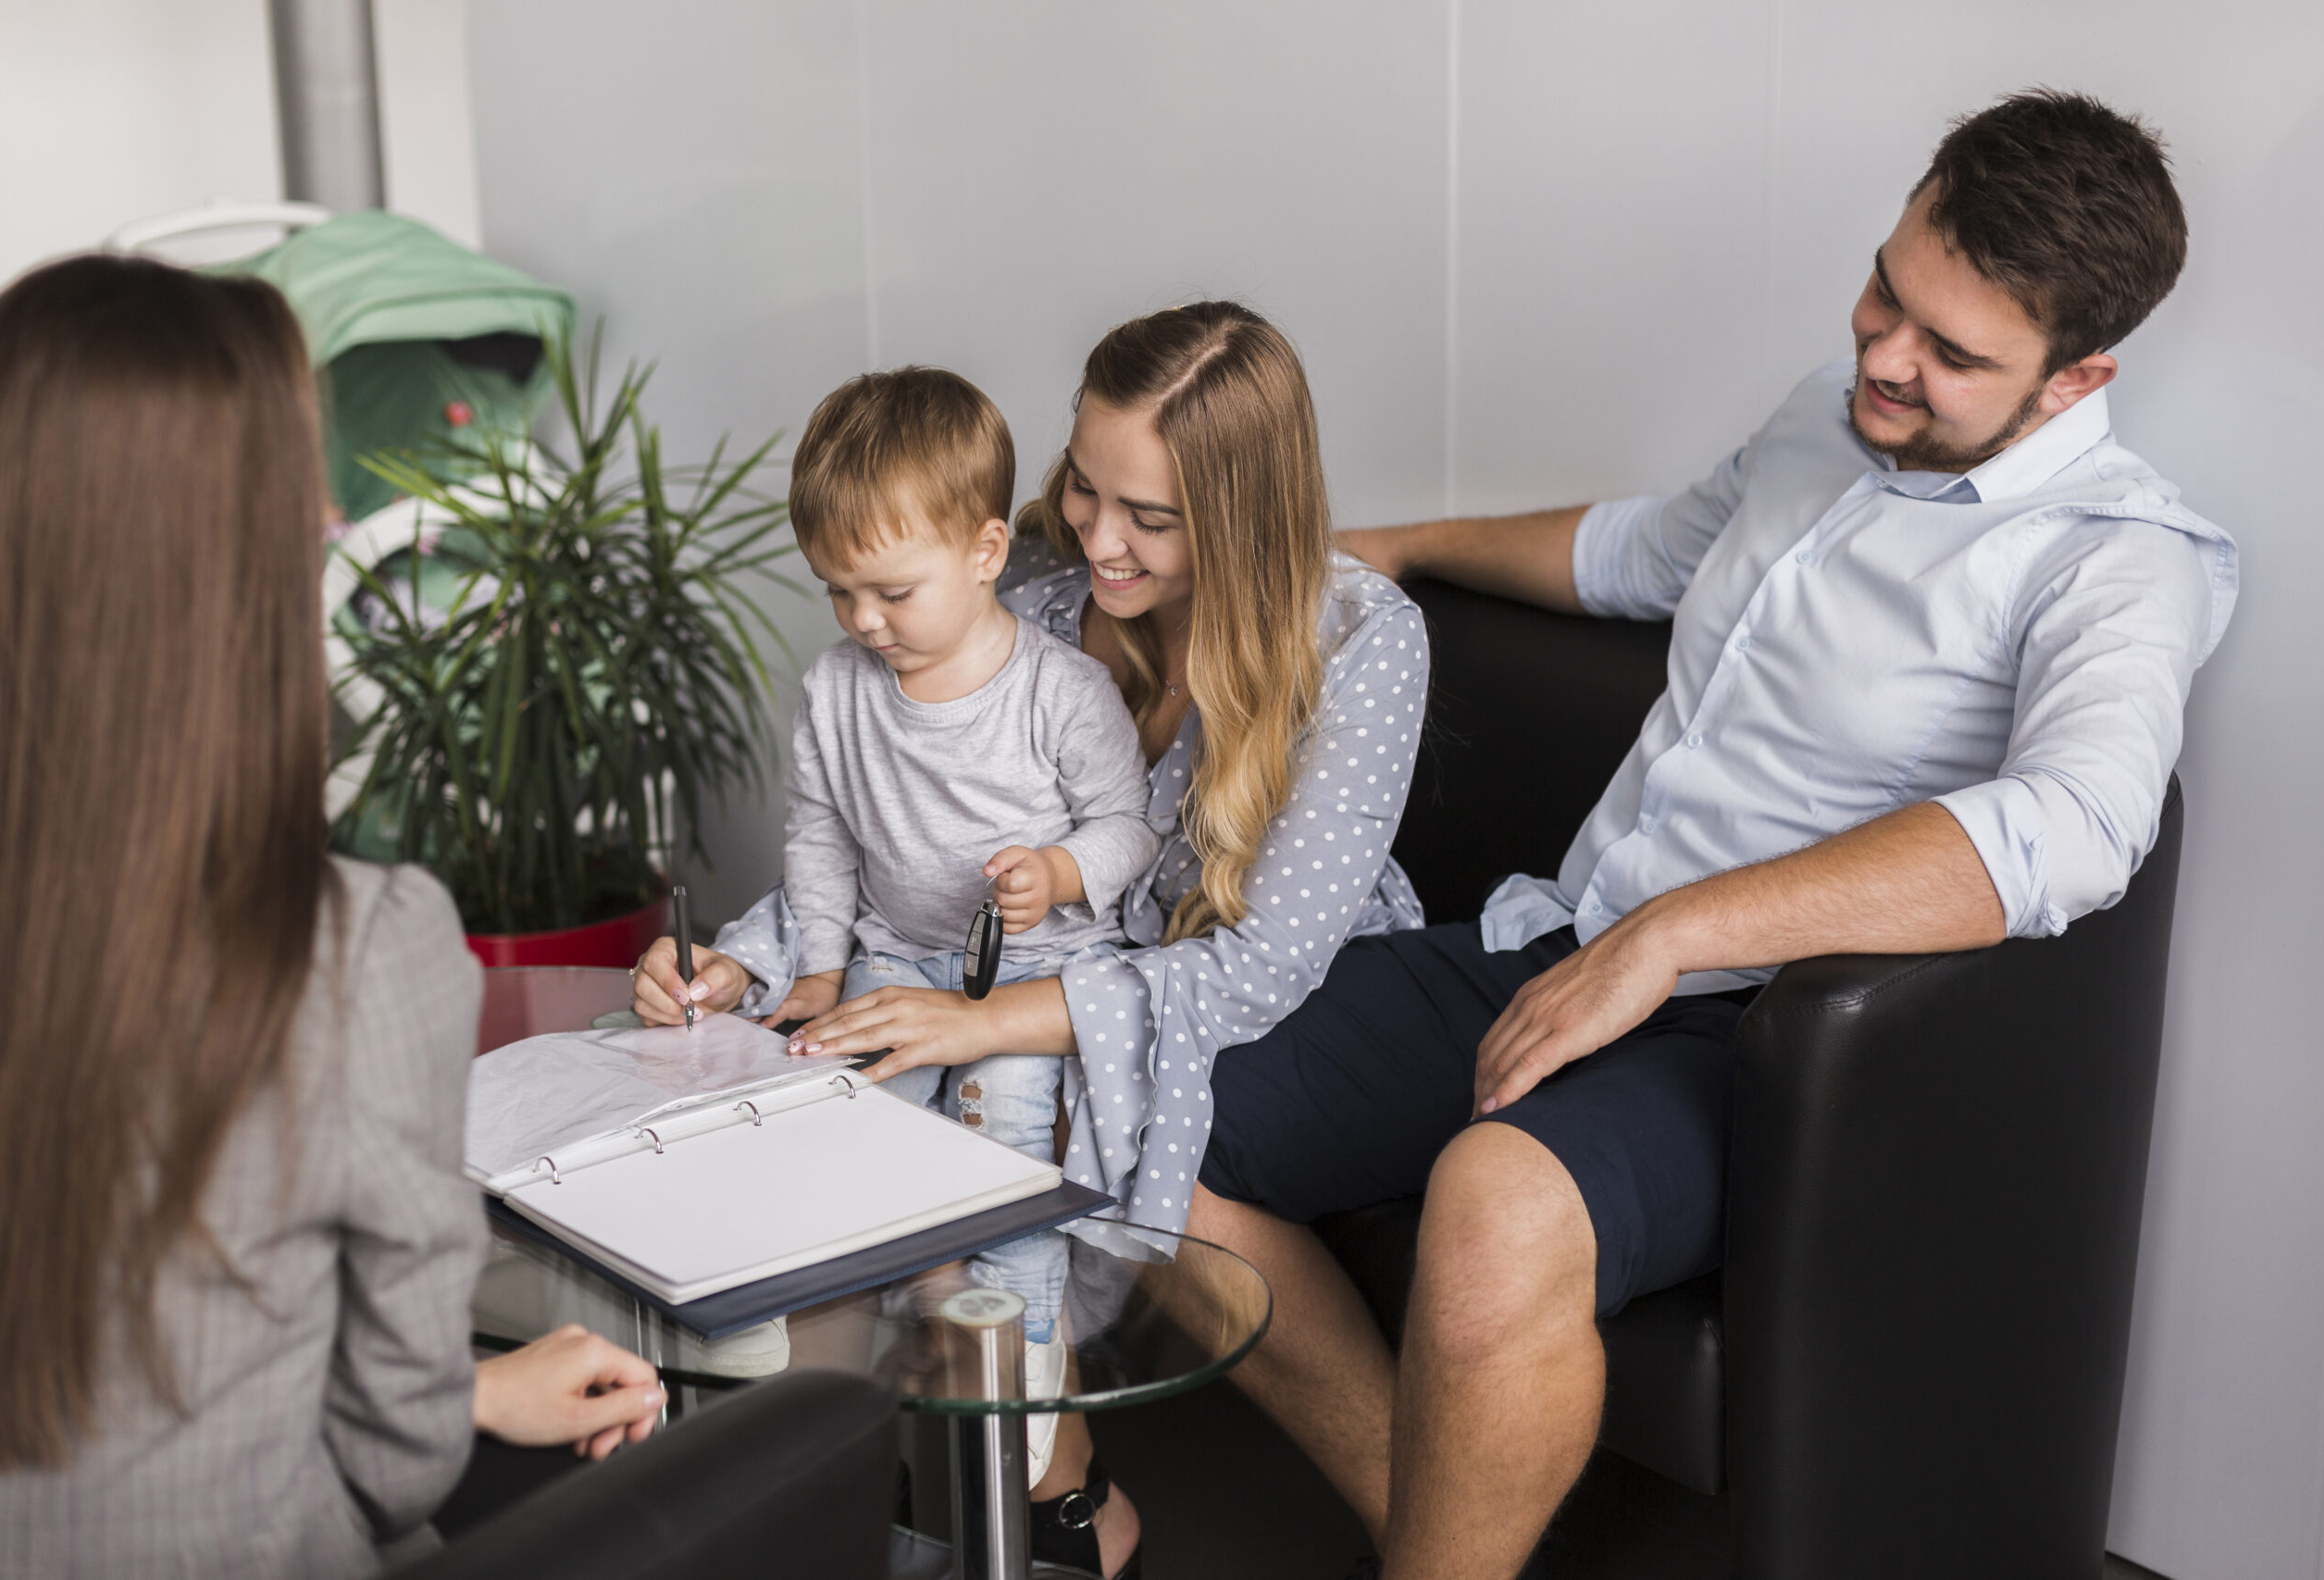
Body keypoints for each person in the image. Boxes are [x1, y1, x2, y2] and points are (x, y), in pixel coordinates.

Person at [1179, 90, 2239, 1580]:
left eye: (1951, 352)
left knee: (1491, 1202)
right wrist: (1401, 547)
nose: (1884, 354)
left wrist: (1677, 933)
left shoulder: (2122, 562)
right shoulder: (1828, 414)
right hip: (1552, 935)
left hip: (1763, 1043)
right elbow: (1643, 553)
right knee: (1137, 1101)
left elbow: (2082, 825)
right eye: (1887, 290)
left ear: (2078, 377)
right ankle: (1432, 1535)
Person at [635, 301, 1431, 1580]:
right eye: (1083, 487)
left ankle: (1432, 1535)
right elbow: (912, 867)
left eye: (1151, 518)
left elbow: (1262, 966)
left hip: (1305, 991)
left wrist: (988, 1021)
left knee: (1124, 1124)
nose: (1098, 540)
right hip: (1064, 973)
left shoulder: (1364, 641)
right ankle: (1031, 1490)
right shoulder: (1045, 614)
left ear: (1239, 513)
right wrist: (755, 960)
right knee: (913, 1122)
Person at [0, 255, 667, 1580]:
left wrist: (465, 1392)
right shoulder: (353, 946)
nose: (336, 515)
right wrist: (445, 1397)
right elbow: (390, 1456)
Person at [640, 367, 1158, 1477]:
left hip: (1022, 984)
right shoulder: (838, 690)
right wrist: (820, 971)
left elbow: (1131, 831)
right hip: (885, 961)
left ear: (982, 555)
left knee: (1004, 1158)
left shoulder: (1061, 693)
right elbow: (820, 839)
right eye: (837, 593)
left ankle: (1014, 1382)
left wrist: (1063, 872)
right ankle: (827, 1393)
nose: (863, 621)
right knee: (833, 1131)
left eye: (889, 591)